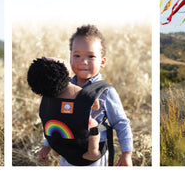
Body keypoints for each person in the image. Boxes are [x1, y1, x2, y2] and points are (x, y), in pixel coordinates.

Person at [38, 24, 133, 166]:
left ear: (102, 61)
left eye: (91, 56)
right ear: (70, 58)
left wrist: (126, 154)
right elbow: (56, 118)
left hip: (94, 157)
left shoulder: (105, 91)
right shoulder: (63, 88)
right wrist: (48, 144)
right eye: (77, 55)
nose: (83, 62)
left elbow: (121, 123)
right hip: (68, 151)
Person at [28, 57, 102, 163]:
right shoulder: (78, 91)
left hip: (59, 131)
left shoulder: (47, 97)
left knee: (55, 126)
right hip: (78, 132)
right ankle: (93, 151)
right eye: (59, 61)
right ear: (62, 72)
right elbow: (96, 106)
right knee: (94, 124)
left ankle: (55, 149)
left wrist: (46, 146)